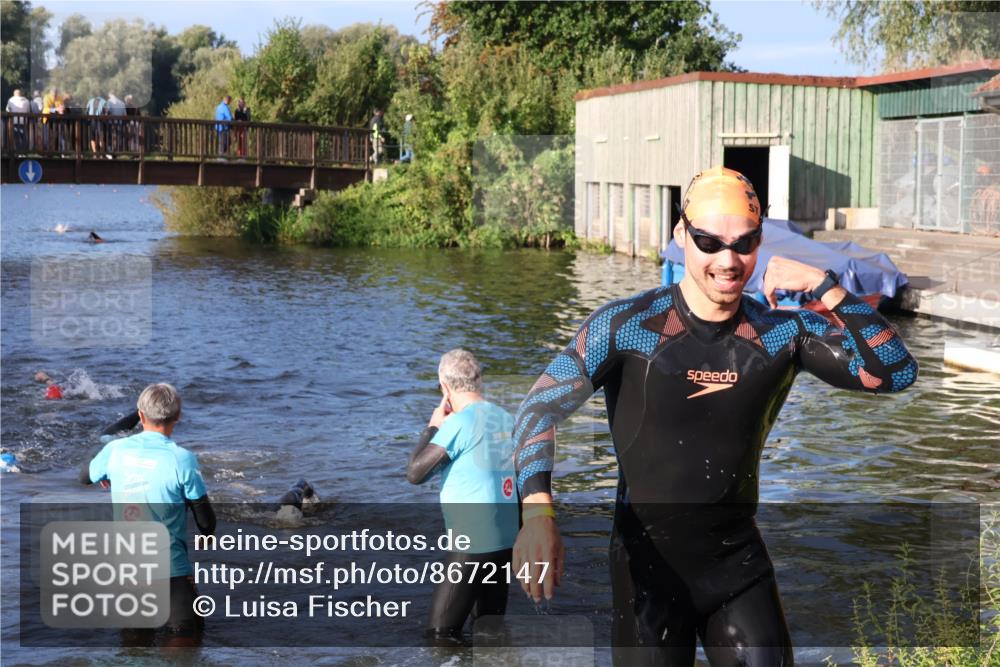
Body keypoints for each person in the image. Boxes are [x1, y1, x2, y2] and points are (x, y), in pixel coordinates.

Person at [511, 165, 919, 666]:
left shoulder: (781, 335)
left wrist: (826, 286)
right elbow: (538, 408)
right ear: (681, 234)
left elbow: (895, 372)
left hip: (737, 567)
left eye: (745, 244)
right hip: (647, 573)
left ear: (760, 242)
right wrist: (537, 513)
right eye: (710, 242)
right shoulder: (627, 326)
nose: (728, 261)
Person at [80, 383, 215, 645]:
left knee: (134, 649)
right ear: (178, 417)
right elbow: (207, 523)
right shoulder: (183, 459)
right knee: (187, 645)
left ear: (141, 416)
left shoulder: (115, 450)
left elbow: (85, 476)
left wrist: (109, 474)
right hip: (171, 572)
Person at [406, 349, 519, 639]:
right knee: (489, 634)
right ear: (479, 381)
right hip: (505, 544)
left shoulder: (458, 423)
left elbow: (416, 473)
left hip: (471, 546)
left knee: (440, 636)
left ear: (444, 387)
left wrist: (432, 427)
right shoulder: (506, 419)